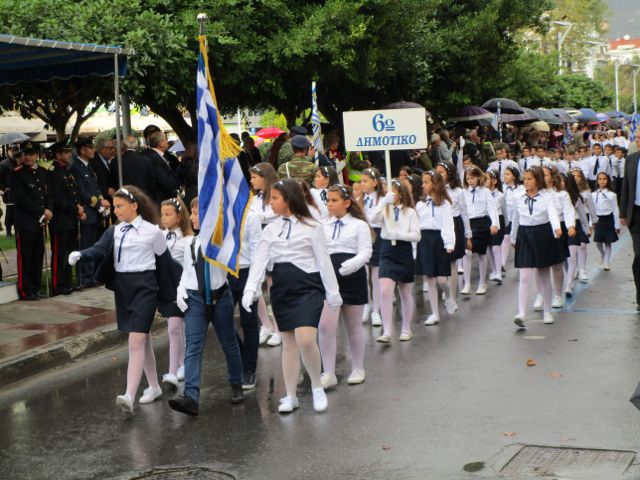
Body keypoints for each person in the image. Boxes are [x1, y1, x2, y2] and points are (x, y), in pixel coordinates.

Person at [241, 179, 342, 413]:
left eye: (275, 198)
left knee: (305, 339)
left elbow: (323, 261)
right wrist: (250, 289)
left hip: (308, 287)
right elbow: (259, 261)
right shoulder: (270, 230)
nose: (270, 202)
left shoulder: (312, 226)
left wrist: (333, 292)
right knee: (288, 343)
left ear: (289, 199)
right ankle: (290, 395)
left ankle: (317, 386)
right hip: (281, 289)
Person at [69, 186, 171, 414]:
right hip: (124, 290)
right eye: (114, 206)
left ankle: (129, 396)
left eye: (119, 206)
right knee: (142, 339)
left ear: (135, 206)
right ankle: (154, 386)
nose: (115, 211)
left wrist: (179, 288)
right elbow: (98, 250)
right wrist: (81, 255)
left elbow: (166, 264)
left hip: (145, 288)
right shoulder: (114, 231)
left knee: (135, 341)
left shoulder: (153, 232)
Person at [169, 197, 244, 415]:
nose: (191, 218)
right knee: (193, 346)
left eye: (196, 214)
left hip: (220, 297)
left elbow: (227, 257)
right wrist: (181, 289)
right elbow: (187, 271)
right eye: (191, 213)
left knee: (228, 341)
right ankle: (191, 397)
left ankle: (237, 382)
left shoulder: (220, 241)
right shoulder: (191, 243)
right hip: (196, 299)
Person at [318, 185, 372, 388]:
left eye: (334, 200)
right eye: (328, 200)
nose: (329, 204)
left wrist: (354, 264)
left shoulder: (359, 225)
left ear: (347, 203)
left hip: (352, 276)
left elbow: (365, 251)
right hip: (329, 278)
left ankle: (358, 367)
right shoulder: (322, 225)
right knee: (325, 326)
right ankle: (329, 372)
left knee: (353, 326)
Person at [511, 167, 563, 329]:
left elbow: (552, 213)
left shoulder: (547, 197)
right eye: (524, 179)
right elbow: (515, 218)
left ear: (538, 181)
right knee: (525, 276)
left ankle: (547, 311)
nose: (526, 182)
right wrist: (513, 236)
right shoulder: (518, 197)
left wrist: (557, 228)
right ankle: (521, 313)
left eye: (530, 179)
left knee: (543, 275)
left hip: (542, 234)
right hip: (525, 235)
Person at [370, 180, 420, 343]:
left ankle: (406, 329)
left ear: (401, 193)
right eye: (386, 193)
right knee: (385, 290)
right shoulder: (385, 210)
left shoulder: (410, 212)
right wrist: (383, 202)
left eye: (392, 192)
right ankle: (387, 331)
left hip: (403, 251)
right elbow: (372, 218)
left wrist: (399, 235)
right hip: (387, 251)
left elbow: (416, 236)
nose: (389, 195)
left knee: (405, 293)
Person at [11, 141, 52, 300]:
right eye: (25, 154)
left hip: (40, 222)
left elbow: (48, 194)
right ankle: (26, 289)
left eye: (31, 154)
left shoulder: (43, 172)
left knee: (37, 256)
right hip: (25, 222)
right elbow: (21, 199)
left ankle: (35, 287)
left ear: (37, 155)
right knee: (26, 257)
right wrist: (41, 211)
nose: (28, 157)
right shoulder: (17, 174)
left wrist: (49, 210)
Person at [158, 197, 193, 388]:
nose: (163, 218)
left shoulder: (187, 240)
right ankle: (182, 364)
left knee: (176, 327)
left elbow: (189, 266)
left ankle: (173, 371)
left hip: (182, 288)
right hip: (166, 288)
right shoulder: (159, 236)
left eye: (168, 214)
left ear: (179, 217)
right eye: (162, 214)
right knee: (175, 328)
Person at [227, 210, 263, 391]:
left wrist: (257, 283)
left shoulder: (251, 216)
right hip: (226, 272)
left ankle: (249, 369)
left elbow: (257, 250)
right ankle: (241, 355)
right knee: (223, 321)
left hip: (246, 272)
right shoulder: (221, 214)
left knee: (248, 322)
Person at [248, 163, 282, 347]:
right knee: (254, 286)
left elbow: (275, 214)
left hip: (274, 242)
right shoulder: (254, 198)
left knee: (272, 285)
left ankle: (278, 328)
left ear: (265, 177)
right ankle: (266, 325)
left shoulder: (276, 194)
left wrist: (259, 217)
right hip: (256, 242)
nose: (251, 181)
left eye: (255, 177)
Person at [416, 170, 455, 325]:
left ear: (435, 184)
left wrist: (449, 243)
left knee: (442, 280)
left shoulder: (445, 204)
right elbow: (416, 226)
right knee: (429, 277)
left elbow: (448, 225)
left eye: (426, 182)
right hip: (424, 241)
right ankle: (434, 313)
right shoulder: (420, 204)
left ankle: (449, 296)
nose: (423, 185)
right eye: (423, 182)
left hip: (439, 240)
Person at [535, 165, 576, 311]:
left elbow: (568, 210)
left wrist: (571, 226)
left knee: (557, 264)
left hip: (558, 228)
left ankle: (557, 295)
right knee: (539, 265)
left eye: (545, 174)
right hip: (541, 228)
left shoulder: (561, 194)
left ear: (552, 177)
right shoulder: (535, 194)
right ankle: (540, 294)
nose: (543, 177)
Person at [48, 141, 85, 295]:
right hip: (60, 221)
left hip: (70, 219)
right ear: (58, 155)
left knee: (69, 253)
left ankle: (68, 282)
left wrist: (79, 208)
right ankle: (59, 284)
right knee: (60, 254)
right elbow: (58, 200)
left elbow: (73, 193)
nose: (70, 155)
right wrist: (76, 209)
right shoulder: (54, 172)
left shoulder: (66, 170)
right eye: (66, 152)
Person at [70, 137, 108, 287]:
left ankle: (91, 276)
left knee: (92, 244)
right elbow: (82, 191)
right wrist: (98, 204)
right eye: (90, 148)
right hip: (86, 211)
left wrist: (102, 200)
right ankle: (84, 277)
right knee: (85, 245)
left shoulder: (88, 166)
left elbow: (95, 187)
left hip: (94, 213)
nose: (93, 150)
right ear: (82, 150)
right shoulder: (76, 167)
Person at [435, 162, 470, 312]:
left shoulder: (458, 191)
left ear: (449, 173)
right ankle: (444, 291)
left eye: (442, 172)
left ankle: (453, 298)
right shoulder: (433, 190)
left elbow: (464, 212)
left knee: (452, 262)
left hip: (454, 224)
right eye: (437, 171)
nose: (438, 174)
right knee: (439, 261)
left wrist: (468, 234)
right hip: (438, 225)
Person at [461, 166, 499, 295]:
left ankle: (482, 283)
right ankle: (467, 283)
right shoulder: (463, 192)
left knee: (482, 254)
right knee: (467, 252)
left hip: (482, 223)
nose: (470, 181)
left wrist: (494, 224)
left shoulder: (485, 191)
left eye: (472, 178)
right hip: (468, 223)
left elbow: (491, 208)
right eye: (468, 178)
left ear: (478, 177)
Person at [360, 167, 386, 326]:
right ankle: (366, 304)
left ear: (375, 182)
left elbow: (378, 219)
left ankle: (376, 310)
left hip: (377, 234)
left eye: (365, 181)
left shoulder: (382, 199)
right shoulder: (360, 200)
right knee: (363, 274)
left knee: (376, 276)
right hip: (363, 235)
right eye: (361, 181)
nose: (362, 184)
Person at [620, 135, 640, 310]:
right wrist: (622, 212)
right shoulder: (632, 159)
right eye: (637, 138)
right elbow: (625, 186)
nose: (638, 141)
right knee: (639, 255)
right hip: (636, 214)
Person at [564, 173, 590, 297]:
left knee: (572, 257)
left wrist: (586, 229)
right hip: (561, 227)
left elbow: (583, 215)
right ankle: (569, 276)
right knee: (563, 258)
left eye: (563, 181)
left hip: (574, 227)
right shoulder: (554, 196)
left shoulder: (576, 198)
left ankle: (569, 284)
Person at [109, 135, 154, 199]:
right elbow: (152, 183)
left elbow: (112, 182)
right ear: (136, 145)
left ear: (123, 145)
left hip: (123, 197)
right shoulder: (146, 161)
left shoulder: (115, 161)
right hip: (142, 197)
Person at [592, 172, 620, 271]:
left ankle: (606, 262)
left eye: (604, 179)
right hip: (598, 219)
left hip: (608, 219)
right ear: (597, 181)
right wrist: (592, 222)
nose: (602, 181)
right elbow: (592, 210)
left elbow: (615, 209)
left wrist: (617, 225)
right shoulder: (593, 195)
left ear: (608, 180)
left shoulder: (612, 195)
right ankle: (603, 254)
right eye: (600, 179)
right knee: (597, 241)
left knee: (608, 242)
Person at [143, 131, 178, 204]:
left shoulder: (155, 155)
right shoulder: (154, 158)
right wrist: (174, 189)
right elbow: (163, 180)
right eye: (166, 139)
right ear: (161, 143)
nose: (167, 142)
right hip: (159, 199)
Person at [485, 170, 505, 283]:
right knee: (489, 247)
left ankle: (499, 273)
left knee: (496, 247)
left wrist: (506, 225)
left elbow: (505, 211)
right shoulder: (483, 194)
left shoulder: (500, 195)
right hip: (487, 221)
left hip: (498, 221)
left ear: (494, 181)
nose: (484, 181)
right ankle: (494, 270)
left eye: (487, 179)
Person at [0, 145, 20, 237]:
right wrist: (3, 188)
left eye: (16, 150)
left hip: (19, 191)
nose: (14, 152)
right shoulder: (3, 164)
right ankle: (8, 232)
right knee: (10, 212)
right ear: (8, 151)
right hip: (9, 192)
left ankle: (17, 231)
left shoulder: (19, 161)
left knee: (18, 212)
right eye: (12, 151)